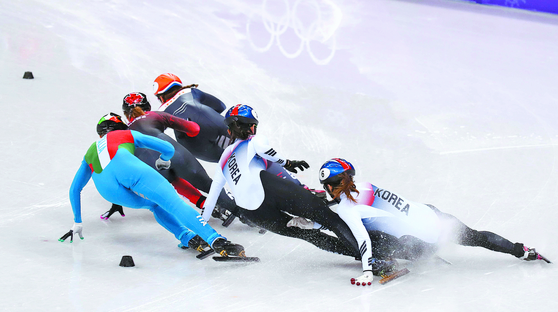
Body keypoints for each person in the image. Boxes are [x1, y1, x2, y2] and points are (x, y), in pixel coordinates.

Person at [289, 158, 551, 286]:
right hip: (434, 217)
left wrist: (368, 270)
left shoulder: (346, 208)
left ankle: (387, 261)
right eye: (337, 184)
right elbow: (351, 205)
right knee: (476, 236)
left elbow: (360, 237)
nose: (340, 187)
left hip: (419, 244)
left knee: (372, 236)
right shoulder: (366, 186)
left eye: (341, 183)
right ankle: (523, 251)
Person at [59, 112, 245, 258]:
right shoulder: (126, 133)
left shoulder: (89, 152)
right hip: (130, 170)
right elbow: (168, 148)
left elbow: (75, 188)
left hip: (108, 190)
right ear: (120, 126)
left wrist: (77, 221)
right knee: (174, 204)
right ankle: (217, 241)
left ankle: (186, 237)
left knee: (153, 204)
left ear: (100, 133)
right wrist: (164, 161)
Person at [152, 73, 322, 218]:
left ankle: (257, 205)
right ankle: (300, 190)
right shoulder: (190, 91)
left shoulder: (160, 111)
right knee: (255, 155)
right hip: (215, 125)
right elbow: (221, 106)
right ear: (178, 85)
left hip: (195, 146)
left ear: (160, 96)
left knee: (233, 166)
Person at [201, 104, 360, 257]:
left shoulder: (223, 159)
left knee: (309, 235)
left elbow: (212, 197)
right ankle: (371, 258)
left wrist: (202, 230)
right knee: (330, 219)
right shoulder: (253, 140)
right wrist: (288, 163)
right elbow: (263, 150)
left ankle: (360, 256)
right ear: (251, 127)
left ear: (230, 130)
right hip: (267, 188)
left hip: (252, 212)